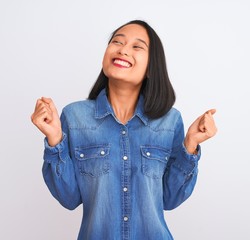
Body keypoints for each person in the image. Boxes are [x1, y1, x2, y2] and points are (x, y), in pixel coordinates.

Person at [31, 20, 217, 240]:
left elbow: (170, 199)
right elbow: (69, 198)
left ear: (151, 68)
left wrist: (190, 145)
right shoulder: (74, 116)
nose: (123, 49)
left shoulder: (169, 120)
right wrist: (54, 139)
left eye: (137, 47)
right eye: (117, 42)